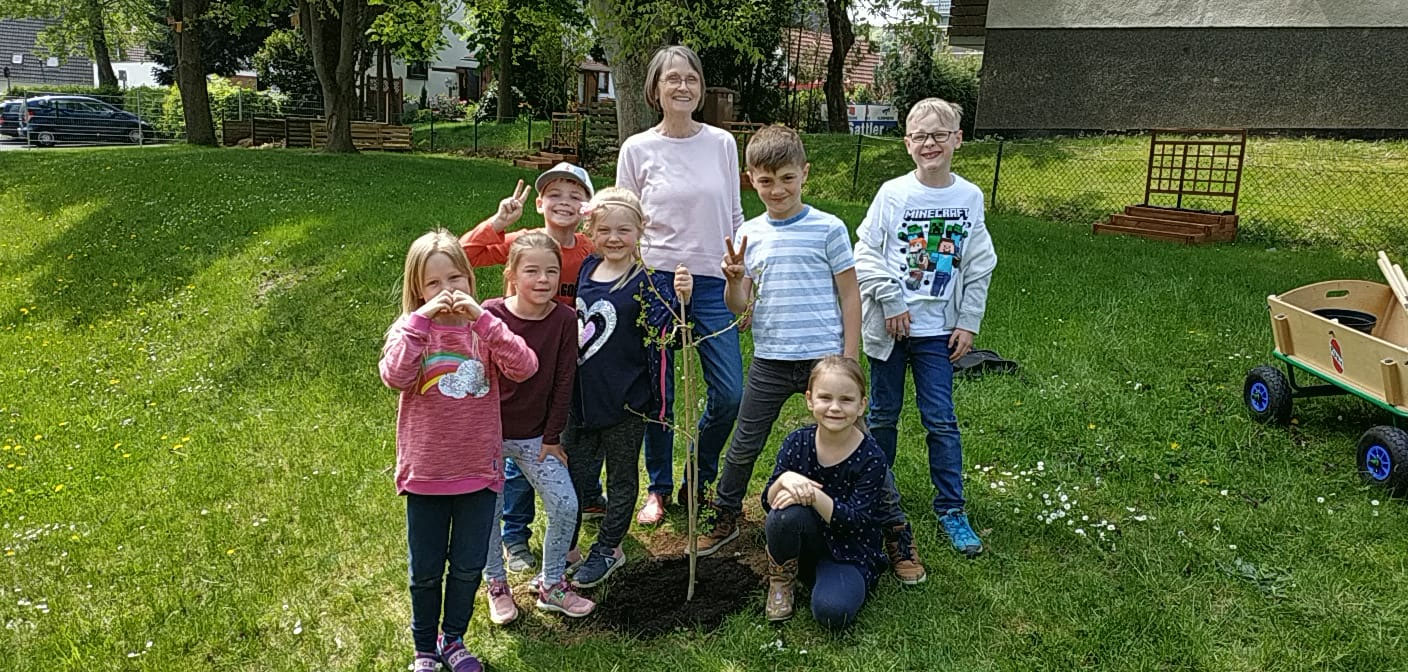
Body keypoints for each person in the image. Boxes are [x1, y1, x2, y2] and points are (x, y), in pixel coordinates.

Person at [695, 124, 927, 585]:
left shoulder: (828, 228)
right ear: (751, 179)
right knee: (744, 442)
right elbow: (739, 306)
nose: (777, 189)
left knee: (862, 443)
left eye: (787, 178)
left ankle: (896, 530)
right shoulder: (749, 233)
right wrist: (734, 280)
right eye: (765, 181)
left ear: (804, 173)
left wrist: (849, 356)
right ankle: (725, 512)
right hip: (770, 358)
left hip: (824, 362)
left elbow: (850, 295)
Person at [379, 229, 539, 672]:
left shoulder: (483, 329)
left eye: (455, 278)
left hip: (478, 471)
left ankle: (453, 640)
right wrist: (419, 322)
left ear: (470, 279)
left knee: (468, 568)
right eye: (433, 283)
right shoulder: (410, 331)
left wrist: (484, 321)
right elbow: (395, 376)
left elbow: (524, 366)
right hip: (427, 473)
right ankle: (424, 650)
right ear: (418, 290)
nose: (447, 290)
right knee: (426, 571)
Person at [853, 98, 997, 558]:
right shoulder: (892, 194)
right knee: (882, 415)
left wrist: (968, 322)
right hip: (891, 329)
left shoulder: (969, 198)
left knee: (941, 419)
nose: (929, 144)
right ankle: (876, 499)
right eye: (920, 136)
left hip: (938, 332)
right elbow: (865, 253)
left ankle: (951, 508)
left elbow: (979, 264)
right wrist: (891, 300)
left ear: (958, 139)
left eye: (939, 135)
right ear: (907, 144)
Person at [615, 45, 744, 524]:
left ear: (701, 87)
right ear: (656, 89)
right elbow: (624, 218)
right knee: (659, 393)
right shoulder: (637, 149)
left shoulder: (722, 143)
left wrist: (742, 276)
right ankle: (659, 488)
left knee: (729, 393)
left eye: (691, 78)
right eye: (673, 78)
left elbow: (734, 213)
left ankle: (698, 476)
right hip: (656, 282)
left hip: (712, 280)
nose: (683, 86)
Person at [461, 163, 606, 574]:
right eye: (554, 194)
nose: (565, 202)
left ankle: (582, 504)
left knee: (562, 439)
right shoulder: (522, 242)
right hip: (517, 367)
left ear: (587, 207)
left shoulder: (589, 251)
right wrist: (498, 223)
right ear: (539, 203)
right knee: (518, 455)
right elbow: (463, 256)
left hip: (567, 361)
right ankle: (515, 536)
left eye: (575, 195)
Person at [479, 232, 596, 624]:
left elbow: (564, 381)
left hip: (536, 438)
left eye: (551, 271)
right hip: (489, 437)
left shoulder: (564, 319)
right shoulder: (491, 314)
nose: (543, 279)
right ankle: (496, 584)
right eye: (532, 271)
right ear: (511, 274)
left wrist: (552, 437)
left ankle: (552, 584)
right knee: (486, 511)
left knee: (565, 503)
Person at [761, 356, 889, 629]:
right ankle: (782, 579)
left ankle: (827, 580)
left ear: (862, 404)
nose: (834, 408)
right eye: (825, 397)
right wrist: (783, 480)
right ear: (809, 400)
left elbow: (856, 521)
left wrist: (814, 496)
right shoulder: (797, 442)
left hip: (850, 550)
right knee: (783, 514)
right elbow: (768, 502)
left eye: (846, 400)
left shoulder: (871, 457)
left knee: (832, 612)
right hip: (806, 538)